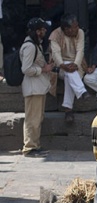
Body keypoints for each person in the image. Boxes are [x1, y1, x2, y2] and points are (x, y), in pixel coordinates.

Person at [20, 18, 54, 158]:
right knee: (33, 118)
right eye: (43, 29)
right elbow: (26, 68)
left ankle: (35, 145)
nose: (45, 31)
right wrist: (43, 69)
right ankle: (29, 147)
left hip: (38, 87)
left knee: (37, 117)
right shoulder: (30, 46)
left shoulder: (35, 44)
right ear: (37, 31)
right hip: (33, 88)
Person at [49, 13, 87, 123]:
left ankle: (68, 110)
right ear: (67, 29)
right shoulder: (55, 35)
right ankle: (81, 91)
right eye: (75, 26)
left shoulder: (80, 32)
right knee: (68, 73)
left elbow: (81, 51)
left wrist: (75, 64)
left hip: (77, 65)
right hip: (60, 66)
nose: (78, 28)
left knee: (69, 76)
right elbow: (56, 55)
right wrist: (63, 65)